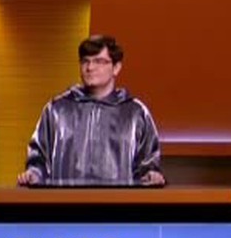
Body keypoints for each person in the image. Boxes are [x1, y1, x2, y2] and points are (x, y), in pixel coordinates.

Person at [17, 35, 165, 187]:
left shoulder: (135, 113)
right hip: (66, 200)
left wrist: (151, 174)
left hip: (118, 200)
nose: (90, 68)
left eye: (98, 61)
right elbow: (38, 158)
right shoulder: (57, 110)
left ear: (116, 67)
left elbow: (148, 164)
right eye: (85, 61)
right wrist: (34, 174)